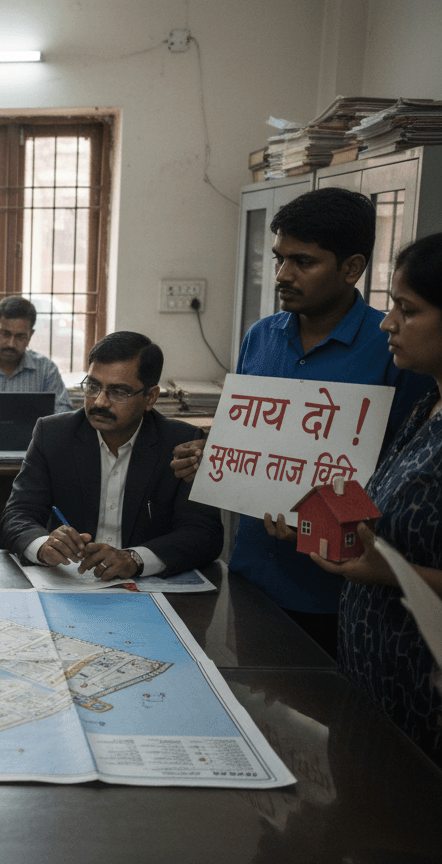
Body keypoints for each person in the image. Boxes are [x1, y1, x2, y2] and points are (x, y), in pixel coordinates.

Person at [171, 187, 432, 657]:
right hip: (252, 574)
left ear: (351, 267)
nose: (282, 275)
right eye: (279, 258)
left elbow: (403, 479)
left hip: (340, 593)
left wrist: (323, 516)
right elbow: (255, 438)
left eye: (302, 262)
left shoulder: (393, 350)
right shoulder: (261, 337)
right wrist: (216, 455)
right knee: (254, 694)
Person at [277, 234, 442, 765]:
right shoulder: (428, 406)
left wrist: (388, 571)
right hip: (376, 678)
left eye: (407, 310)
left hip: (427, 699)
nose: (388, 323)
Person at [1, 331, 222, 578]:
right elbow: (17, 515)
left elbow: (204, 534)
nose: (99, 402)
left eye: (118, 392)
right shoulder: (53, 435)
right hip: (70, 580)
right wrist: (43, 546)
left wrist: (136, 558)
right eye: (93, 386)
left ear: (150, 397)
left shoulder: (182, 444)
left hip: (147, 585)